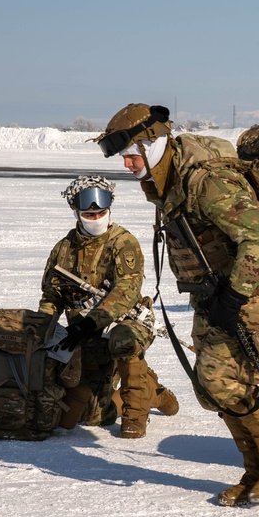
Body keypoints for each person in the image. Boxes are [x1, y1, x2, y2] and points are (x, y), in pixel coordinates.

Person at [93, 103, 259, 506]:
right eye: (123, 157)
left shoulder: (208, 183)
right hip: (215, 293)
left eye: (132, 154)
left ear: (155, 144)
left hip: (251, 291)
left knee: (223, 380)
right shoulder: (169, 183)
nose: (127, 164)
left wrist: (237, 295)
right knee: (215, 390)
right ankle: (257, 470)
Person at [40, 175, 179, 438]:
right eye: (89, 215)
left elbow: (126, 291)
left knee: (124, 340)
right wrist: (43, 326)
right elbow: (52, 295)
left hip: (125, 323)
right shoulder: (64, 249)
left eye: (101, 213)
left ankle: (138, 412)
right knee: (92, 417)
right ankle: (145, 385)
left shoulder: (123, 242)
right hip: (85, 333)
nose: (96, 219)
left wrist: (92, 322)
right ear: (76, 213)